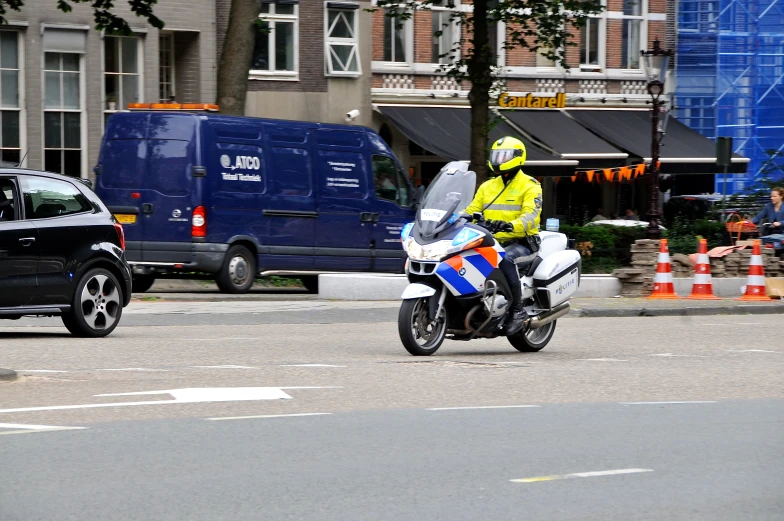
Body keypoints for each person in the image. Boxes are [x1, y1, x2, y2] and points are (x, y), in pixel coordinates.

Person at [462, 136, 542, 336]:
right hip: (491, 241)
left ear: (517, 157)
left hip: (522, 243)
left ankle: (517, 311)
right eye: (496, 155)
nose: (499, 160)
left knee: (506, 259)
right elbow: (471, 210)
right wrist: (453, 218)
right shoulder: (487, 186)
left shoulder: (530, 185)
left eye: (504, 155)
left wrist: (511, 225)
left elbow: (531, 216)